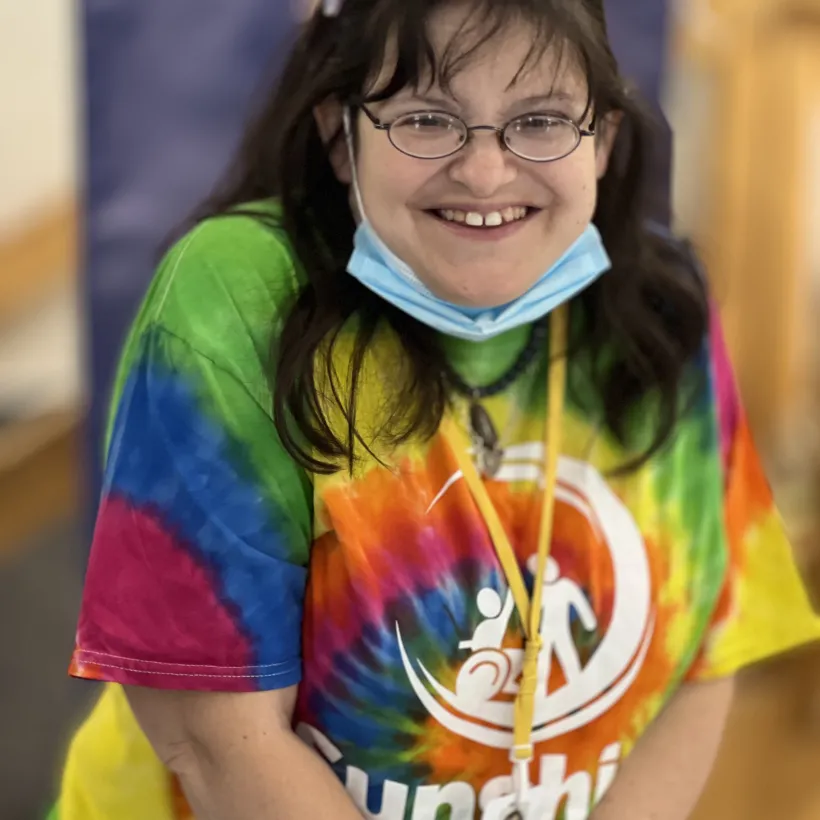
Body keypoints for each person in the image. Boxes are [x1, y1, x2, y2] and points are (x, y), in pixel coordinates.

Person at [54, 0, 820, 818]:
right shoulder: (236, 300)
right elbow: (212, 743)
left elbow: (706, 653)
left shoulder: (661, 312)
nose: (486, 174)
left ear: (602, 139)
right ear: (337, 133)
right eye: (426, 118)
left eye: (540, 121)